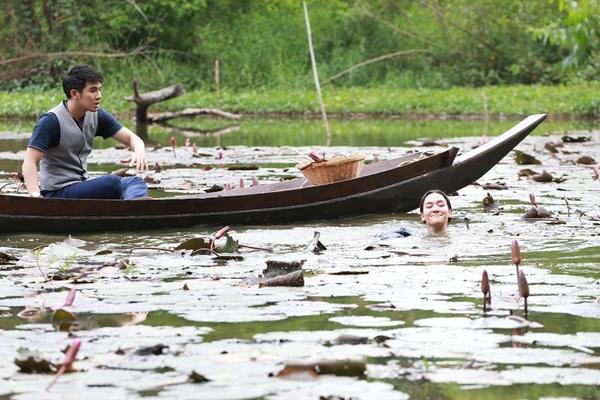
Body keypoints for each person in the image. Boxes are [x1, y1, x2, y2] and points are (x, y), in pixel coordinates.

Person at [22, 64, 149, 200]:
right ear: (75, 94)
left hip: (81, 187)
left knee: (135, 181)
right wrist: (36, 197)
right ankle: (130, 206)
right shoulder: (50, 121)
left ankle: (134, 205)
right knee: (112, 183)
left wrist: (139, 149)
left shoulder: (97, 115)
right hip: (57, 192)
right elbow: (30, 161)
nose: (99, 96)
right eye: (93, 90)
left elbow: (131, 137)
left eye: (100, 90)